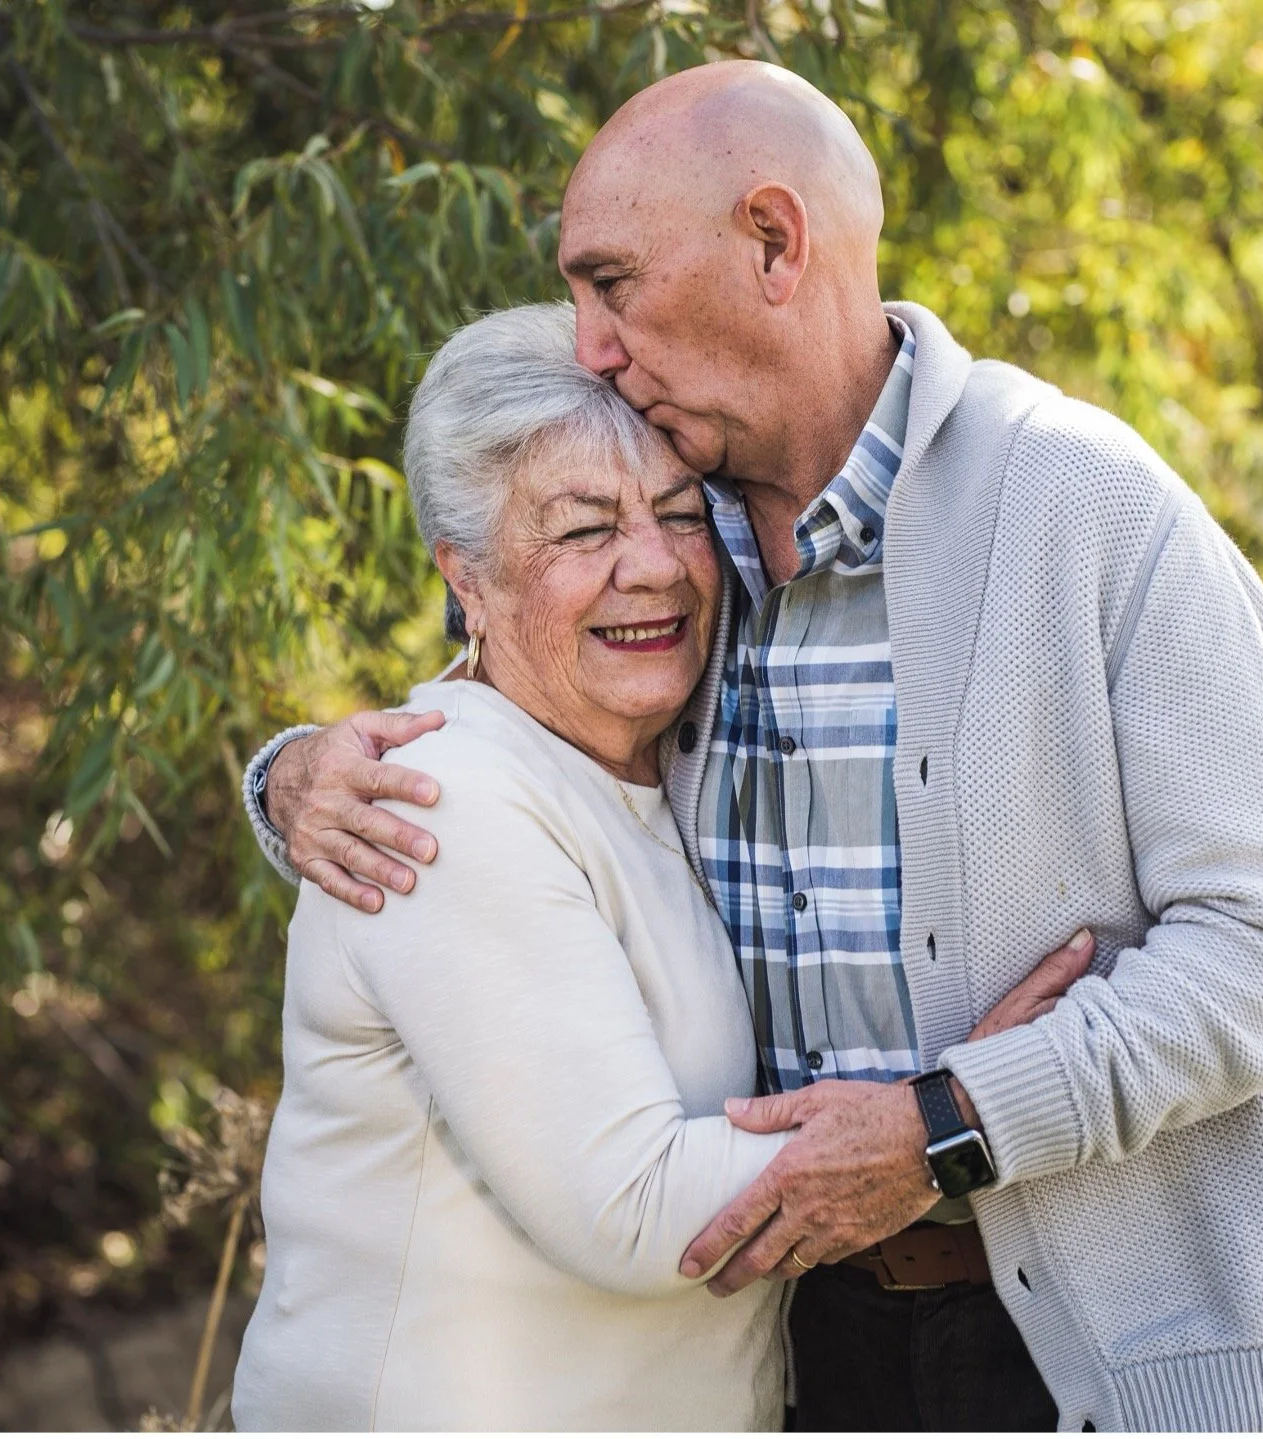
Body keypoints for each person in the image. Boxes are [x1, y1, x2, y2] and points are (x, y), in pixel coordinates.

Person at [243, 63, 1263, 1433]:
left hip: (1085, 1356)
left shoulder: (1090, 508)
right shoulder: (681, 532)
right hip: (808, 1341)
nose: (590, 342)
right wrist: (295, 771)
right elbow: (501, 704)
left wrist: (951, 1122)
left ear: (773, 240)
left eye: (612, 282)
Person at [233, 303, 794, 1429]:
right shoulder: (446, 801)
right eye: (584, 531)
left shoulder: (663, 761)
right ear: (468, 579)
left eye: (682, 515)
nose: (653, 566)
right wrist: (955, 1113)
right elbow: (632, 1206)